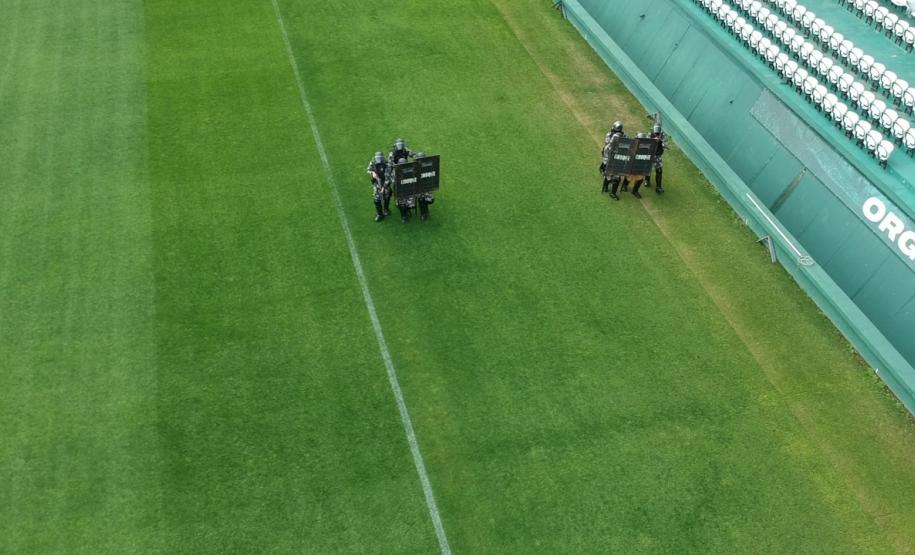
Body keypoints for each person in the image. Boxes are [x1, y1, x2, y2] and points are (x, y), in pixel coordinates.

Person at [603, 121, 626, 200]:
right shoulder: (609, 135)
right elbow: (607, 148)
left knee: (617, 177)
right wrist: (605, 162)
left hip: (619, 158)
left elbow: (628, 146)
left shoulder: (625, 136)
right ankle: (605, 187)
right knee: (608, 176)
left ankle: (613, 193)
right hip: (610, 158)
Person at [367, 151, 391, 222]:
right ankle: (380, 214)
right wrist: (372, 172)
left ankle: (386, 209)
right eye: (377, 158)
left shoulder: (387, 164)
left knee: (387, 195)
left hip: (385, 182)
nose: (378, 160)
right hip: (377, 183)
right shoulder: (373, 162)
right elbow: (368, 170)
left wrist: (384, 187)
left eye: (380, 158)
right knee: (376, 199)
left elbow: (388, 177)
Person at [414, 152, 435, 221]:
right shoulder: (415, 168)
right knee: (421, 200)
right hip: (419, 189)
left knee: (429, 200)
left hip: (427, 188)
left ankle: (425, 210)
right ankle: (423, 214)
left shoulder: (428, 167)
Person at [647, 123, 665, 194]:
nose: (656, 134)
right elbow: (646, 143)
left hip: (657, 155)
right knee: (648, 169)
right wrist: (653, 140)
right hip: (650, 154)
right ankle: (647, 181)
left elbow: (664, 145)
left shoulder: (663, 136)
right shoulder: (650, 134)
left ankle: (658, 187)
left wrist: (660, 141)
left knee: (659, 170)